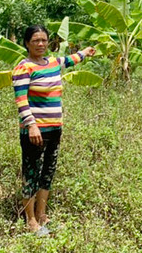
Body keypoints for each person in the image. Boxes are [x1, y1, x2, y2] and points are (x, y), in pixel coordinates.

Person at [12, 24, 95, 236]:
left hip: (55, 129)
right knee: (32, 173)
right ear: (27, 43)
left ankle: (42, 214)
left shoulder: (52, 62)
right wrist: (31, 125)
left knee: (48, 172)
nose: (40, 44)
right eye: (35, 41)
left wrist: (85, 53)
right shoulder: (23, 68)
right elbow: (21, 100)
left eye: (44, 40)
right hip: (35, 131)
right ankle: (30, 220)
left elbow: (69, 60)